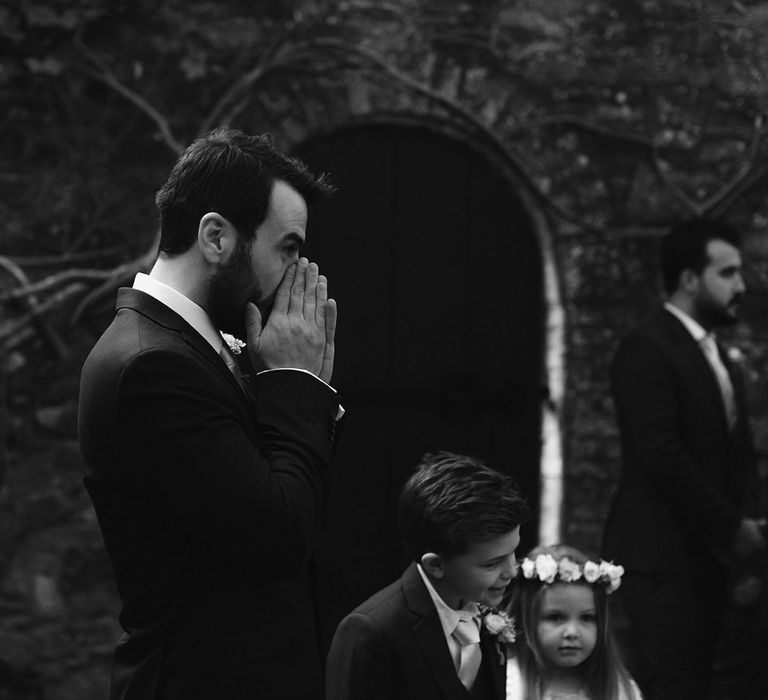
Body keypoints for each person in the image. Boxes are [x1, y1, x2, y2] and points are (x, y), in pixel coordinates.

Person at [78, 127, 343, 700]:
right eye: (288, 248)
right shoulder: (151, 367)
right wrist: (296, 385)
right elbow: (278, 535)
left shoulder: (197, 348)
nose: (297, 272)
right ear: (216, 237)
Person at [602, 219, 764, 699]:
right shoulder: (647, 349)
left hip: (708, 566)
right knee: (669, 688)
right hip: (661, 564)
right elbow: (662, 456)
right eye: (728, 273)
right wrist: (734, 527)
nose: (742, 286)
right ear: (690, 279)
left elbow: (734, 455)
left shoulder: (720, 357)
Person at [325, 451, 530, 700]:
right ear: (435, 565)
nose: (511, 571)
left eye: (513, 553)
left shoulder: (485, 607)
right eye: (493, 564)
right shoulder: (371, 632)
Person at [505, 544, 641, 700]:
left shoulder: (619, 689)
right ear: (526, 619)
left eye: (587, 618)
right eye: (555, 617)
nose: (572, 632)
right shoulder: (508, 685)